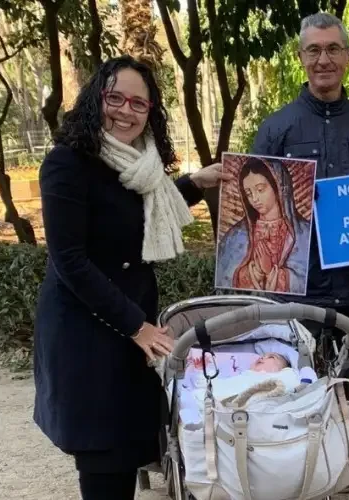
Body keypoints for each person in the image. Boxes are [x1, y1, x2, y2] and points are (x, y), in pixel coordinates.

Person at [32, 55, 229, 500]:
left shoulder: (141, 165)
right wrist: (137, 327)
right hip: (88, 330)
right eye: (115, 98)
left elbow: (142, 211)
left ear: (151, 111)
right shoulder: (67, 163)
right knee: (104, 456)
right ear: (95, 99)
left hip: (132, 324)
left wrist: (195, 182)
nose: (126, 111)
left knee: (131, 445)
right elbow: (70, 262)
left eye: (139, 104)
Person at [251, 12, 349, 357]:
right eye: (313, 50)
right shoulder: (275, 128)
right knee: (293, 390)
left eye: (333, 49)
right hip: (293, 291)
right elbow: (252, 210)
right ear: (300, 57)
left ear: (348, 56)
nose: (323, 59)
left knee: (343, 391)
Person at [215, 157, 312, 294]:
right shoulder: (235, 235)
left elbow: (311, 282)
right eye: (248, 193)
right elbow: (223, 278)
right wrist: (254, 272)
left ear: (278, 187)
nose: (254, 199)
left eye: (260, 190)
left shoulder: (306, 233)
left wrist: (271, 271)